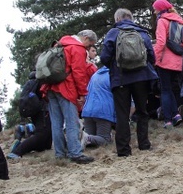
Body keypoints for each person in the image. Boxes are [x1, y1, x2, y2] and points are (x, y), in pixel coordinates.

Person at [100, 8, 158, 157]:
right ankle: (144, 144)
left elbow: (104, 57)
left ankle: (124, 150)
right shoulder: (142, 33)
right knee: (142, 112)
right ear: (131, 18)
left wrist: (114, 67)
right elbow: (152, 56)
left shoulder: (113, 33)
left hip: (120, 78)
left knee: (122, 114)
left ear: (117, 19)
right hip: (142, 78)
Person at [42, 30, 98, 164]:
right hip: (66, 88)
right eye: (90, 43)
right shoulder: (77, 48)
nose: (88, 47)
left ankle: (60, 154)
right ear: (85, 38)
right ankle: (75, 153)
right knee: (71, 121)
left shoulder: (60, 44)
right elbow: (79, 73)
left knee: (56, 123)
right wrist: (82, 93)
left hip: (50, 87)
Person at [153, 0, 183, 129]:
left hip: (165, 61)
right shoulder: (179, 21)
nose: (153, 10)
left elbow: (161, 42)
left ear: (160, 9)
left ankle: (168, 120)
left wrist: (155, 59)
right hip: (178, 61)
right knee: (173, 90)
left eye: (155, 8)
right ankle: (176, 115)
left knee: (165, 90)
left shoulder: (162, 21)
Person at [8, 70, 53, 160]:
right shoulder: (41, 80)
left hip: (36, 112)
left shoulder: (32, 82)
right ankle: (16, 152)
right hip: (43, 111)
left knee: (46, 144)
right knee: (41, 135)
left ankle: (20, 140)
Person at [80, 66, 116, 148]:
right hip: (103, 111)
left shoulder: (95, 75)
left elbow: (87, 91)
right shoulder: (113, 75)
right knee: (105, 139)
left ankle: (81, 138)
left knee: (90, 142)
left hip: (87, 110)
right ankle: (85, 137)